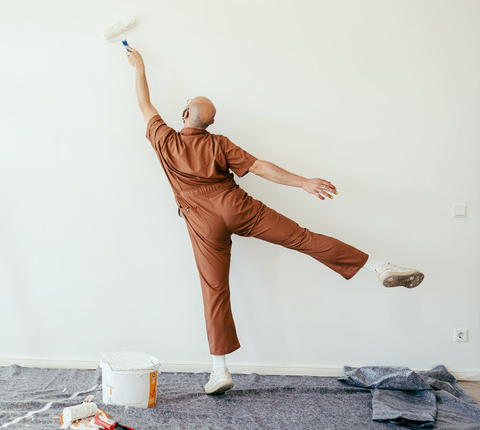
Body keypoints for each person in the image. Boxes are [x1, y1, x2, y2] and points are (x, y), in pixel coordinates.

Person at [124, 45, 424, 395]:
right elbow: (260, 167)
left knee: (214, 289)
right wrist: (303, 182)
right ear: (212, 122)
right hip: (237, 206)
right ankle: (379, 266)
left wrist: (139, 66)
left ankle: (220, 370)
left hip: (202, 220)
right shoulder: (220, 143)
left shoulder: (165, 139)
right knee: (303, 238)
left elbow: (145, 103)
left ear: (185, 114)